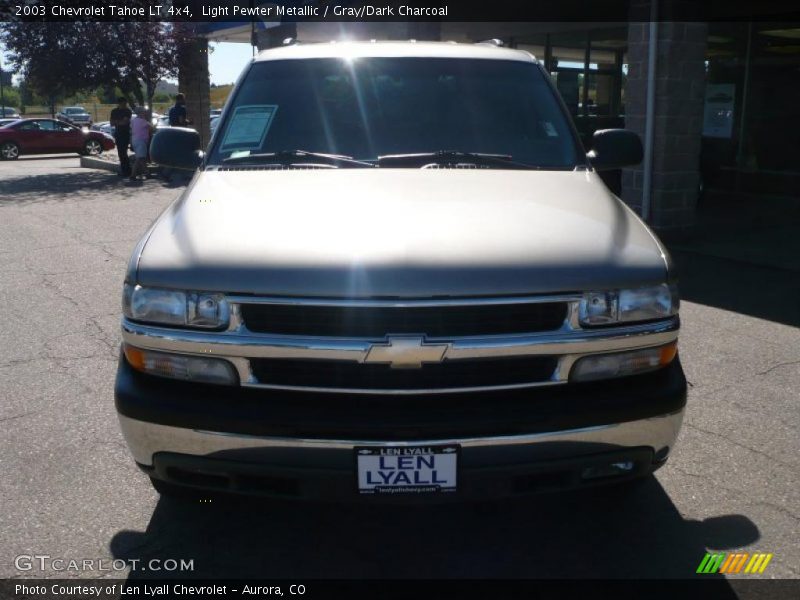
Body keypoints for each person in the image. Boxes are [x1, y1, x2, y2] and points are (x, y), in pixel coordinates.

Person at [109, 97, 132, 176]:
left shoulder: (128, 111)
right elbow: (111, 123)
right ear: (119, 103)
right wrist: (119, 122)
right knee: (120, 152)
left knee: (124, 152)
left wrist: (117, 122)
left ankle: (127, 170)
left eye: (125, 103)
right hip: (118, 133)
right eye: (123, 103)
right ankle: (123, 170)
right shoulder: (114, 111)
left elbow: (125, 122)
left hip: (125, 133)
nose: (125, 104)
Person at [129, 107, 153, 183]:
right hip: (141, 141)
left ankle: (147, 173)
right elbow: (152, 127)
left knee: (142, 159)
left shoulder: (133, 121)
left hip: (135, 140)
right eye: (144, 112)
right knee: (139, 159)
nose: (145, 113)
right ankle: (132, 175)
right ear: (141, 113)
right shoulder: (143, 121)